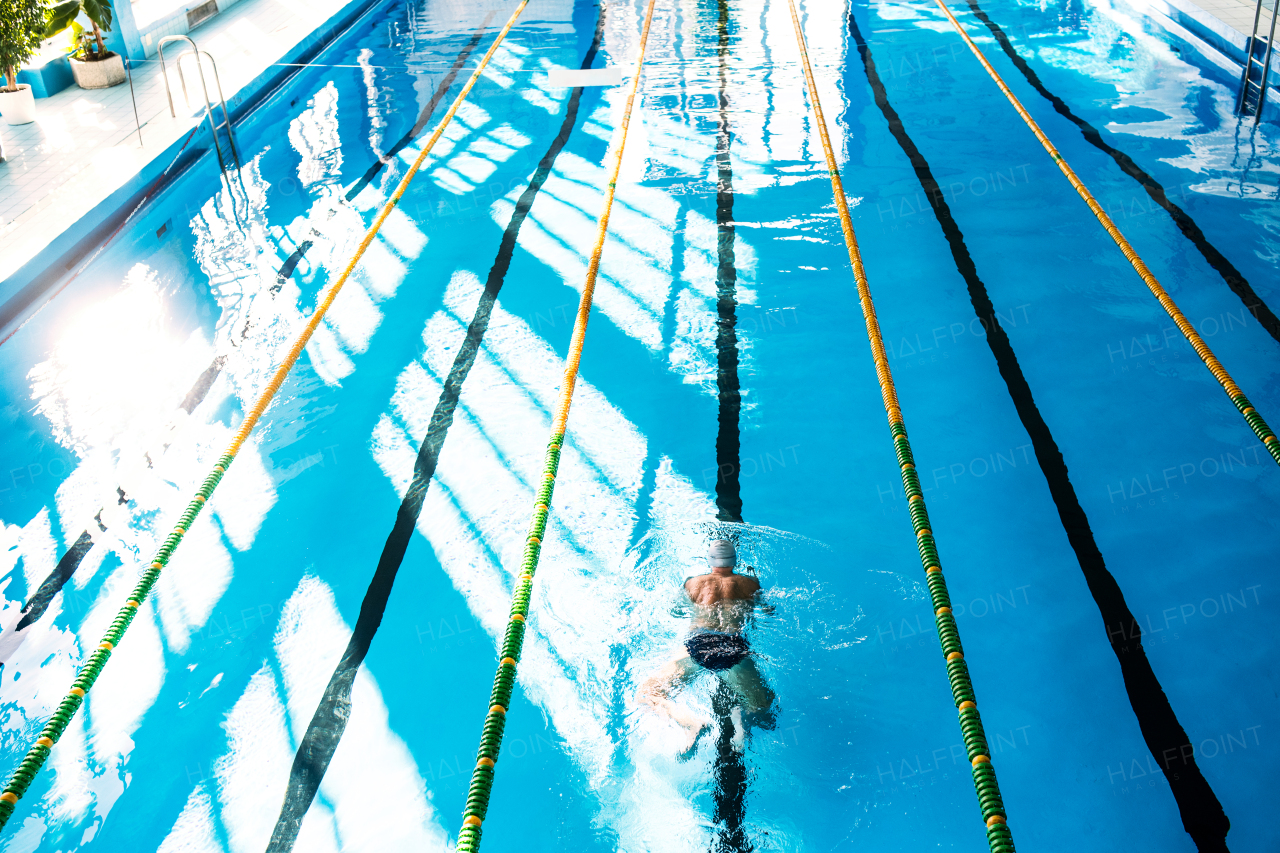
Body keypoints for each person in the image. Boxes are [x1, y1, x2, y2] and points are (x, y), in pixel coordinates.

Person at [639, 539, 776, 753]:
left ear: (710, 560)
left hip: (698, 644)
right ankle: (741, 721)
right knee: (764, 707)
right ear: (734, 560)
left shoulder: (691, 583)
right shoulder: (751, 583)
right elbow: (769, 611)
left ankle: (691, 724)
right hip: (734, 646)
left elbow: (674, 611)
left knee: (648, 693)